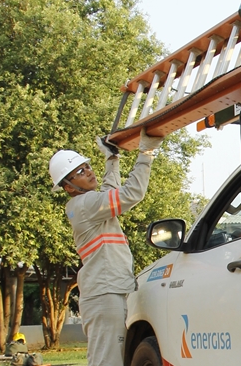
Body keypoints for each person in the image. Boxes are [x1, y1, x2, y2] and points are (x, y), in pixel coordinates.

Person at [48, 129, 163, 366]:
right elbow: (132, 194)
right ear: (68, 186)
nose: (88, 172)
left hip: (104, 292)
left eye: (87, 166)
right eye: (79, 172)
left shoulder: (86, 204)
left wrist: (112, 161)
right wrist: (146, 153)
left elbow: (109, 193)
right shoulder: (85, 204)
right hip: (104, 293)